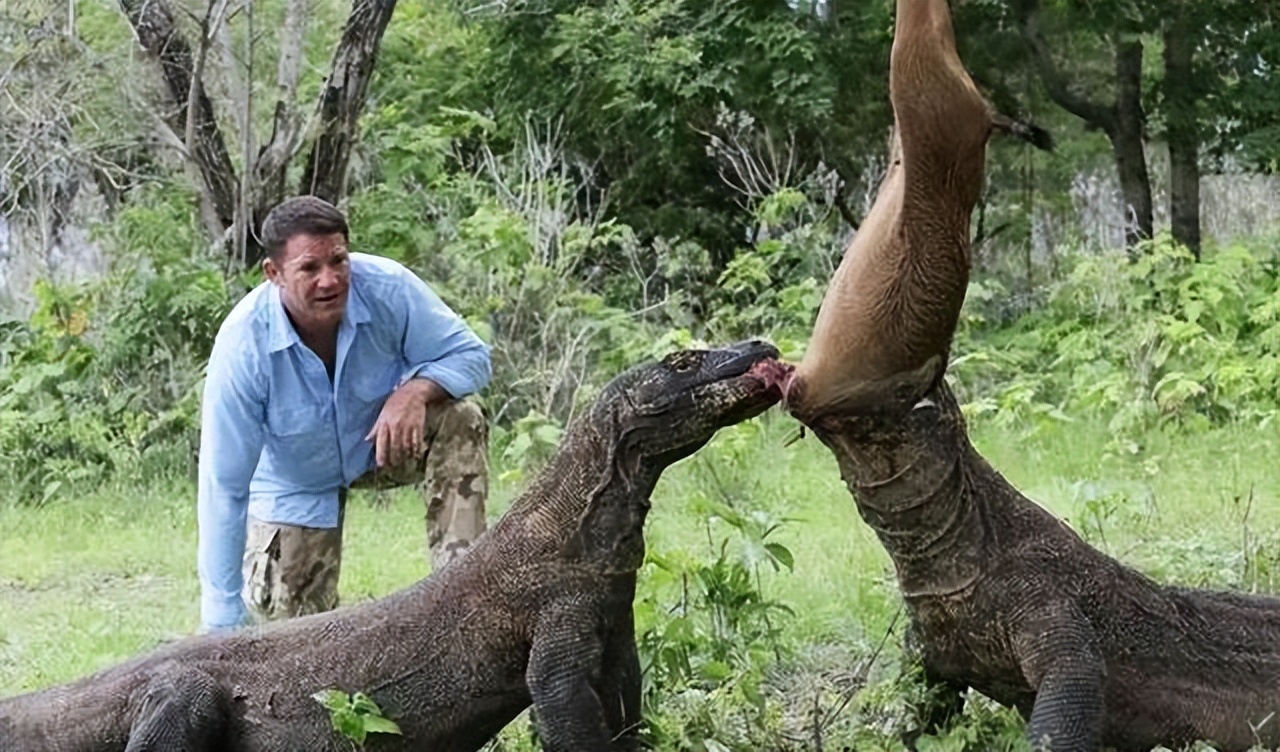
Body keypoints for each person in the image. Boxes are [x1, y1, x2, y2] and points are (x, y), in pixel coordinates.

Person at [196, 195, 491, 633]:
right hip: (297, 483)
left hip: (380, 443)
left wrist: (416, 391)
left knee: (461, 416)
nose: (329, 280)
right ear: (274, 274)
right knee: (293, 642)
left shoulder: (389, 288)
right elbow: (224, 485)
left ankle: (465, 605)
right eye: (309, 268)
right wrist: (220, 619)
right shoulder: (243, 345)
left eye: (338, 260)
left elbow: (473, 356)